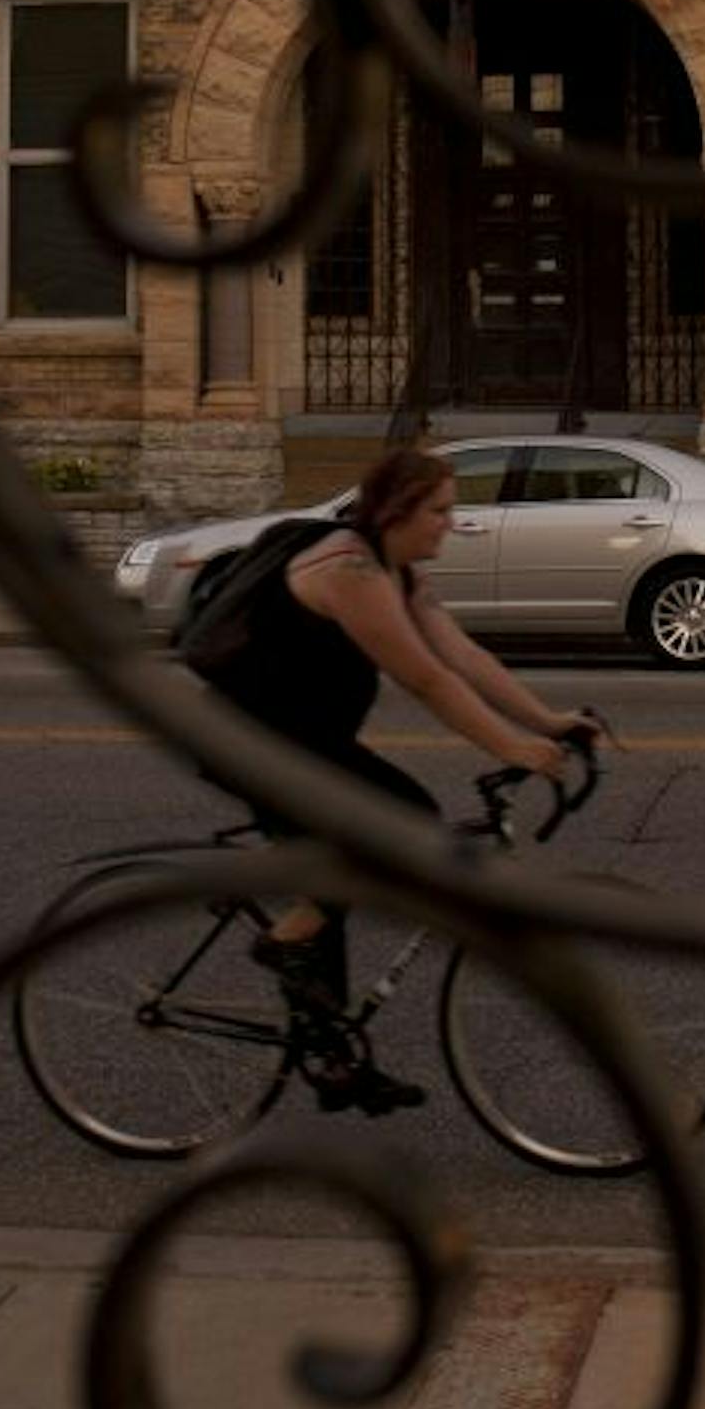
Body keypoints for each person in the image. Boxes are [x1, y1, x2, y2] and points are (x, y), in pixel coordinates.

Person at [194, 444, 607, 1116]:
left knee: (346, 864)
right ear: (398, 510)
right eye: (441, 509)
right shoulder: (349, 568)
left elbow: (462, 654)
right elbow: (427, 679)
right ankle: (281, 942)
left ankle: (333, 1062)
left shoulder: (399, 572)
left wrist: (549, 721)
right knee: (405, 818)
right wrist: (514, 747)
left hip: (306, 741)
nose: (452, 521)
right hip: (253, 742)